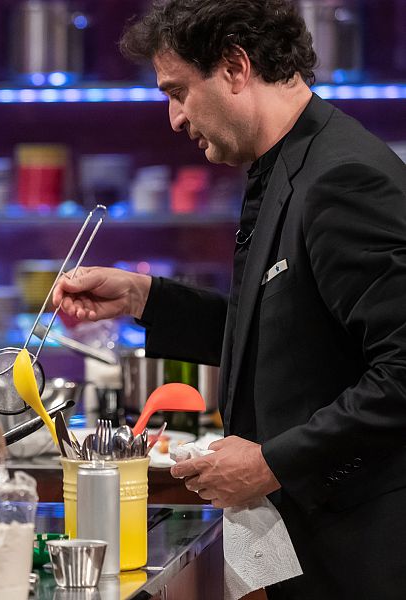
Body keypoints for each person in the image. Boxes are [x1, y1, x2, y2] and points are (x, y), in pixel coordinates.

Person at [52, 1, 406, 598]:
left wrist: (272, 462)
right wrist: (146, 299)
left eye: (178, 91)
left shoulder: (342, 179)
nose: (173, 118)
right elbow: (290, 332)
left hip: (365, 557)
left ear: (236, 67)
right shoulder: (289, 164)